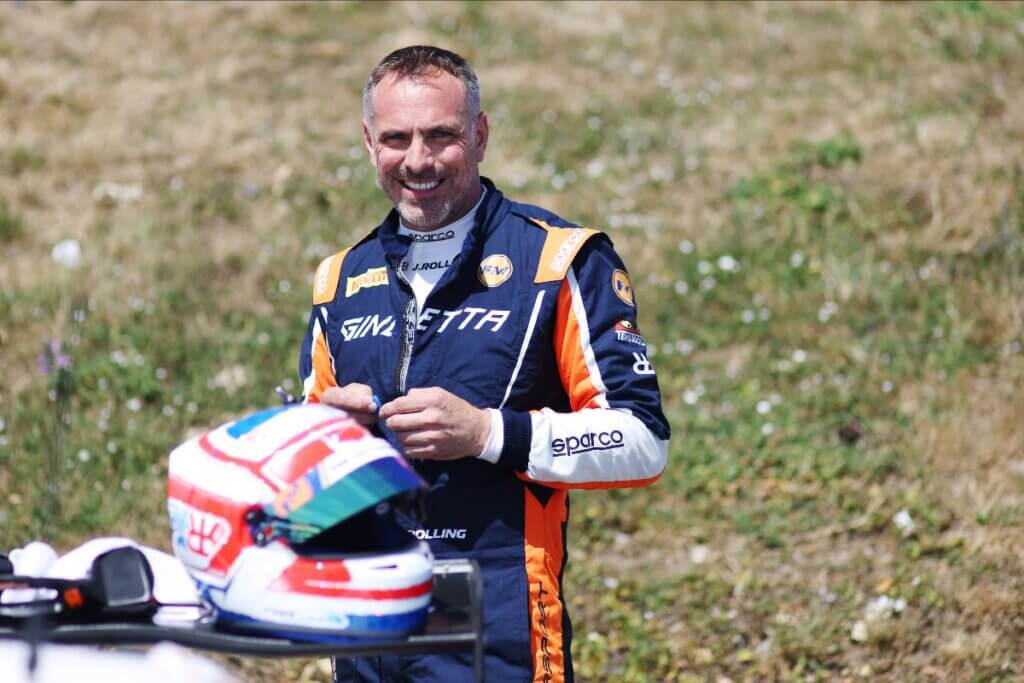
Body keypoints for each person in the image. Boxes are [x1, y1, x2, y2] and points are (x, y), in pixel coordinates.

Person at [298, 45, 670, 683]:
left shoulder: (559, 260)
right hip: (366, 634)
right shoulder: (340, 279)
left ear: (480, 135)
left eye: (441, 136)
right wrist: (323, 439)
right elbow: (303, 496)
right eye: (396, 139)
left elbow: (642, 442)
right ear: (368, 142)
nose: (418, 160)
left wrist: (486, 433)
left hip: (498, 642)